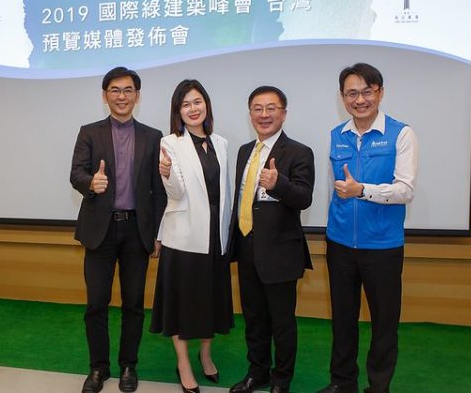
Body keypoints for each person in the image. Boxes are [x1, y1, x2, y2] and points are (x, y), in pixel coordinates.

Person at [316, 63, 418, 393]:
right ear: (342, 97)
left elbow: (405, 190)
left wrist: (362, 190)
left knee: (383, 324)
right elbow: (334, 189)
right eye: (352, 93)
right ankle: (342, 383)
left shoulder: (401, 134)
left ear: (380, 93)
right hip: (340, 245)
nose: (359, 100)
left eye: (367, 92)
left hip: (383, 247)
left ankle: (378, 387)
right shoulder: (337, 135)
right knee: (343, 321)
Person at [70, 66, 166, 393]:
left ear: (137, 96)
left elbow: (158, 190)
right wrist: (90, 183)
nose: (121, 96)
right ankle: (98, 368)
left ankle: (128, 366)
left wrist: (157, 234)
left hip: (137, 230)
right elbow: (76, 174)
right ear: (105, 95)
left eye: (128, 90)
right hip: (100, 230)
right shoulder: (89, 132)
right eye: (115, 90)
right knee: (96, 304)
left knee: (133, 304)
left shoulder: (153, 136)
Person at [227, 86, 315, 393]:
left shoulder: (299, 152)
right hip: (246, 246)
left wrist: (279, 184)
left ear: (284, 113)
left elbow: (303, 198)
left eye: (271, 108)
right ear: (250, 114)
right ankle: (258, 373)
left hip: (280, 252)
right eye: (257, 108)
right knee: (254, 319)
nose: (264, 115)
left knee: (282, 322)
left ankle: (282, 380)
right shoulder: (244, 151)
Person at [150, 79, 234, 393]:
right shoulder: (170, 143)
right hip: (184, 236)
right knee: (182, 304)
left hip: (215, 235)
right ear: (178, 111)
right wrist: (167, 173)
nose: (193, 109)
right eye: (186, 104)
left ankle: (206, 354)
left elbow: (225, 192)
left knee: (211, 299)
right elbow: (176, 193)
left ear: (206, 105)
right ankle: (183, 363)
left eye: (198, 102)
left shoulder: (221, 143)